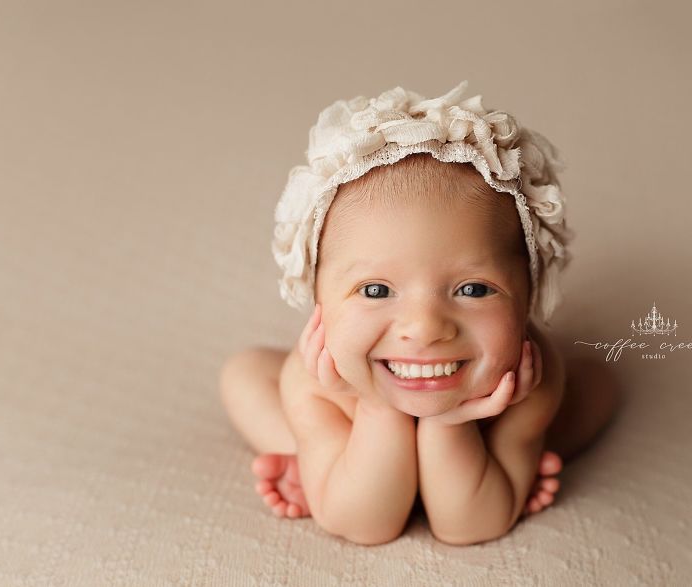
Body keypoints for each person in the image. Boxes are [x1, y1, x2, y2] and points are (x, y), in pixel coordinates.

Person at [219, 81, 622, 546]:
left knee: (596, 383)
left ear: (529, 296)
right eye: (375, 290)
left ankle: (500, 464)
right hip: (352, 413)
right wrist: (373, 407)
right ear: (318, 301)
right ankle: (319, 459)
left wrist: (452, 423)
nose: (425, 329)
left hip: (484, 434)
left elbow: (470, 526)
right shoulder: (318, 381)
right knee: (244, 373)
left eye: (473, 289)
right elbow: (364, 525)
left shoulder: (526, 381)